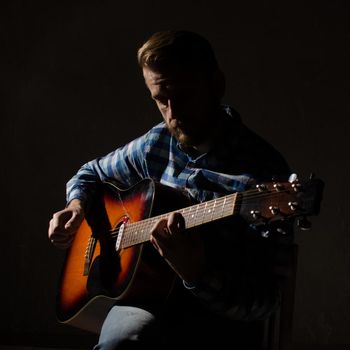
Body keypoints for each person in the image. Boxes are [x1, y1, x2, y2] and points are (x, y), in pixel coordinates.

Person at [48, 30, 294, 350]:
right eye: (160, 100)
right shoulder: (157, 142)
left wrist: (197, 273)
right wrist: (78, 205)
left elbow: (265, 301)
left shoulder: (264, 173)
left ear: (215, 84)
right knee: (122, 344)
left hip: (216, 318)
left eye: (183, 96)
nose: (172, 114)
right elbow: (90, 173)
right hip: (146, 298)